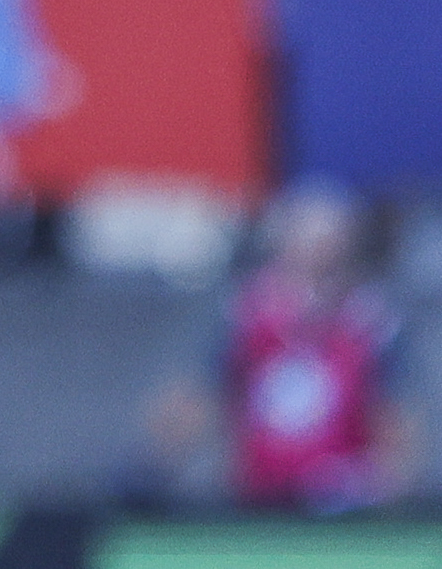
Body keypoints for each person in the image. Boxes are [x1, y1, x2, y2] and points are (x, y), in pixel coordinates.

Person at [144, 186, 411, 512]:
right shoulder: (244, 316)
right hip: (257, 503)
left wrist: (380, 484)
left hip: (343, 508)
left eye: (328, 264)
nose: (313, 283)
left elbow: (397, 424)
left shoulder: (372, 323)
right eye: (303, 262)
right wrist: (154, 465)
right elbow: (199, 399)